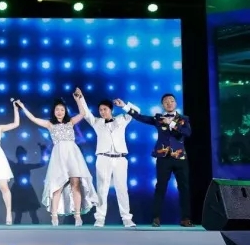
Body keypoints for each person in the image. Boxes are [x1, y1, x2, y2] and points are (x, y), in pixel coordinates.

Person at [15, 94, 98, 226]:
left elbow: (82, 113)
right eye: (57, 110)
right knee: (57, 186)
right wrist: (23, 107)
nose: (60, 112)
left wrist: (78, 99)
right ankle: (54, 217)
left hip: (72, 155)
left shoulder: (70, 122)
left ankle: (77, 216)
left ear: (65, 111)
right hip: (58, 156)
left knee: (75, 184)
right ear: (54, 111)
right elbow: (33, 118)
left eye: (62, 110)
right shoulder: (50, 124)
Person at [115, 94, 193, 227]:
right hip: (163, 158)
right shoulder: (158, 118)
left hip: (180, 158)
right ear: (162, 105)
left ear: (175, 103)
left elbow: (187, 133)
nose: (169, 103)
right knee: (160, 187)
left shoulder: (183, 119)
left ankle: (186, 219)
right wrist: (125, 106)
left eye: (171, 101)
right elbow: (140, 117)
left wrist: (172, 123)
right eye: (166, 102)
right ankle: (156, 218)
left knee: (184, 188)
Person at [76, 88, 135, 227]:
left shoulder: (122, 119)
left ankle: (126, 218)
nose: (102, 112)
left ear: (111, 109)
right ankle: (100, 218)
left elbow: (135, 112)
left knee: (122, 189)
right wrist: (81, 98)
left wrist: (124, 105)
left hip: (120, 158)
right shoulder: (97, 122)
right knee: (102, 189)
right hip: (103, 158)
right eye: (100, 110)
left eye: (105, 109)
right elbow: (86, 113)